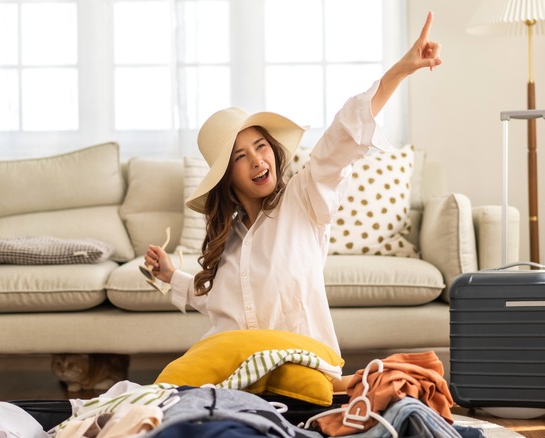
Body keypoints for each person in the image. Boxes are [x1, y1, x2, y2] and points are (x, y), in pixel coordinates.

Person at [145, 11, 442, 388]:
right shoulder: (231, 242)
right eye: (240, 157)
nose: (257, 160)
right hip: (234, 373)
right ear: (226, 178)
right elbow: (223, 304)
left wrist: (400, 71)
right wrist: (172, 276)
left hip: (301, 372)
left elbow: (341, 139)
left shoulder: (304, 198)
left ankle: (355, 386)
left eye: (261, 146)